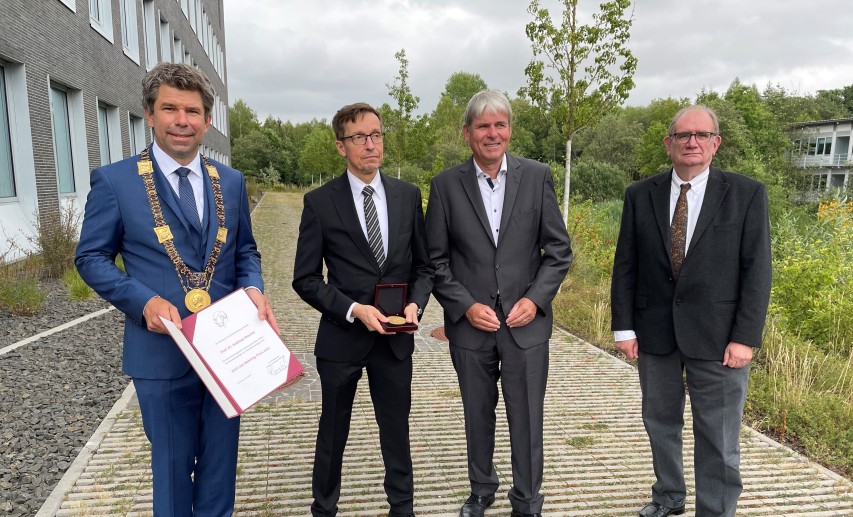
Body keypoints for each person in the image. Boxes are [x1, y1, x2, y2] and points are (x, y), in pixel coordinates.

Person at [75, 62, 277, 516]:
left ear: (207, 120)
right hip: (161, 351)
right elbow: (89, 258)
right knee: (171, 468)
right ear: (149, 114)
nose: (181, 120)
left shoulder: (231, 181)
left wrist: (254, 288)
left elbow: (246, 251)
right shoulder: (115, 181)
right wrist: (142, 301)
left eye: (192, 110)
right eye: (170, 108)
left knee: (221, 468)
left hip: (229, 351)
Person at [610, 105, 772, 517]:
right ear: (669, 144)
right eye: (683, 135)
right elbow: (625, 264)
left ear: (716, 143)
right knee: (660, 423)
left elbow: (758, 271)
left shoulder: (746, 194)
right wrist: (623, 328)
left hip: (719, 338)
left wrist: (746, 337)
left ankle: (715, 509)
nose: (692, 142)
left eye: (701, 134)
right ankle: (668, 496)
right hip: (654, 333)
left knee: (718, 433)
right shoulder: (639, 195)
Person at [425, 90, 572, 517]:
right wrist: (466, 306)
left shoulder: (538, 176)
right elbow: (435, 260)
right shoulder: (445, 185)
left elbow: (558, 250)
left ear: (509, 130)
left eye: (500, 125)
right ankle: (481, 488)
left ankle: (527, 499)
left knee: (527, 416)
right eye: (483, 126)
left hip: (525, 324)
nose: (493, 134)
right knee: (477, 412)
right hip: (472, 326)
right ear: (467, 133)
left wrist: (535, 298)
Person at [292, 102, 433, 517]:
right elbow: (306, 279)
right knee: (333, 432)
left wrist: (416, 303)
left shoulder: (408, 196)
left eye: (376, 135)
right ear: (341, 147)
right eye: (359, 138)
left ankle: (402, 508)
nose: (371, 145)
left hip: (395, 339)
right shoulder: (319, 202)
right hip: (342, 338)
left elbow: (424, 266)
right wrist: (353, 308)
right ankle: (324, 508)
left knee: (396, 429)